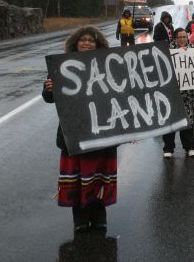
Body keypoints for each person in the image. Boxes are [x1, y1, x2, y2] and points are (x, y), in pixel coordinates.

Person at [42, 26, 117, 234]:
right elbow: (49, 98)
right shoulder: (62, 66)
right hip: (74, 134)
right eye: (82, 40)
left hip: (103, 133)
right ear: (75, 43)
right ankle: (80, 220)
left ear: (97, 44)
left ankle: (99, 217)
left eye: (91, 40)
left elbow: (124, 93)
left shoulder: (106, 63)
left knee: (100, 177)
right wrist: (48, 88)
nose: (86, 43)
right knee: (78, 178)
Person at [162, 28, 194, 158]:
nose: (182, 39)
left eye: (184, 37)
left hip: (189, 95)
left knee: (187, 122)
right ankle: (168, 148)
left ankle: (190, 147)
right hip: (172, 93)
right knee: (170, 121)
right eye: (180, 37)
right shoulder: (167, 51)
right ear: (175, 38)